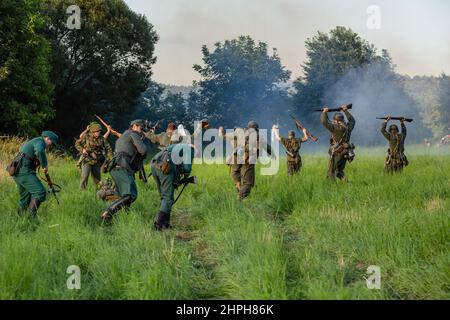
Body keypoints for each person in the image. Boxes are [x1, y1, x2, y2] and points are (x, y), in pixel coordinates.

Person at [100, 120, 147, 222]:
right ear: (134, 126)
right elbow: (143, 151)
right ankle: (108, 212)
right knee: (131, 195)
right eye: (141, 129)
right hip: (122, 167)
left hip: (116, 167)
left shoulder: (124, 135)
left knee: (121, 195)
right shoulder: (133, 134)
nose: (142, 131)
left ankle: (124, 217)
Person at [150, 132, 195, 230]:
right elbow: (187, 168)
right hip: (166, 166)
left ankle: (165, 224)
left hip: (154, 164)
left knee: (164, 195)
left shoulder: (170, 147)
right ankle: (158, 224)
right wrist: (186, 177)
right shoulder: (188, 148)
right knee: (168, 197)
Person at [219, 121, 272, 200]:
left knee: (236, 177)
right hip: (248, 160)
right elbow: (267, 147)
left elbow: (223, 136)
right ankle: (239, 198)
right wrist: (273, 154)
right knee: (248, 183)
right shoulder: (258, 136)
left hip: (235, 159)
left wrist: (220, 131)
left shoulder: (239, 132)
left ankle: (239, 192)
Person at [11, 131, 59, 218]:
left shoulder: (35, 141)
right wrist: (44, 165)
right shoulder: (40, 142)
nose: (50, 145)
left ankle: (19, 220)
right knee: (40, 192)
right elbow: (39, 151)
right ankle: (31, 218)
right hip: (24, 171)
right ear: (47, 138)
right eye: (51, 142)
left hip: (17, 171)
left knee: (25, 198)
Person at [320, 105, 356, 180]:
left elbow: (324, 122)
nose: (333, 122)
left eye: (334, 120)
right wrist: (345, 110)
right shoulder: (348, 127)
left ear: (336, 121)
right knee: (339, 171)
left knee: (331, 171)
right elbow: (352, 121)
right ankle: (347, 182)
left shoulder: (335, 128)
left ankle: (331, 187)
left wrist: (324, 113)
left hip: (337, 152)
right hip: (345, 152)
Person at [75, 122, 113, 190]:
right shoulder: (86, 136)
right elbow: (77, 143)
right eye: (97, 131)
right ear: (93, 131)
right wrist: (82, 150)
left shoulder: (102, 139)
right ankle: (82, 192)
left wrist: (111, 158)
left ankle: (99, 193)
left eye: (99, 131)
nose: (98, 133)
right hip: (87, 160)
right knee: (85, 176)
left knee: (97, 179)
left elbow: (108, 148)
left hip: (97, 161)